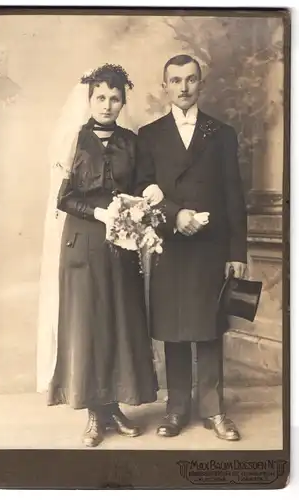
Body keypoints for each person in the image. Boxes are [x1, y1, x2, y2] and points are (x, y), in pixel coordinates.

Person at [38, 64, 158, 448]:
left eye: (115, 98)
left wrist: (146, 194)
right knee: (88, 326)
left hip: (120, 246)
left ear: (123, 102)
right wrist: (99, 212)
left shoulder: (130, 142)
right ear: (90, 99)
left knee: (120, 322)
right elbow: (63, 197)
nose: (108, 104)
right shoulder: (74, 140)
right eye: (101, 97)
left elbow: (138, 184)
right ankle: (94, 414)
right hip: (82, 244)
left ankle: (114, 407)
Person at [135, 54, 247, 441]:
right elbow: (141, 191)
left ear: (201, 84)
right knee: (174, 328)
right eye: (175, 80)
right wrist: (174, 214)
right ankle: (177, 409)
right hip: (170, 246)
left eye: (191, 80)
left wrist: (237, 252)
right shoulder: (148, 135)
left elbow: (234, 195)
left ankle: (215, 411)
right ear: (164, 86)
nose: (183, 87)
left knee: (210, 328)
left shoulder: (222, 133)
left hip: (211, 246)